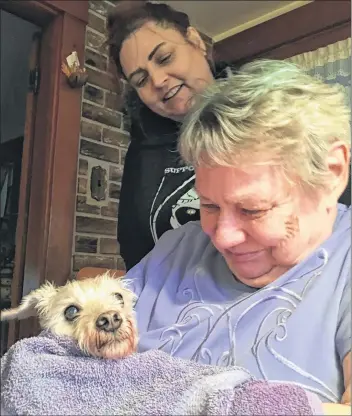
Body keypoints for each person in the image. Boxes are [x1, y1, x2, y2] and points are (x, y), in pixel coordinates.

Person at [123, 59, 351, 405]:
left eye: (252, 209)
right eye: (209, 205)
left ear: (333, 173)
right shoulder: (176, 247)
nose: (222, 237)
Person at [106, 1, 232, 270]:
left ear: (195, 41)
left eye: (164, 58)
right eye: (141, 80)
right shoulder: (142, 151)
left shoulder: (260, 110)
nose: (159, 81)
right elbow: (135, 253)